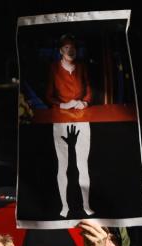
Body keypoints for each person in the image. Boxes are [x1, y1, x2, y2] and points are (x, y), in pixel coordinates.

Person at [45, 34, 94, 217]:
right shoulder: (54, 69)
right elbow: (48, 95)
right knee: (63, 163)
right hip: (61, 118)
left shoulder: (81, 67)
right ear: (61, 51)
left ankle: (86, 205)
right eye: (66, 48)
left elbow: (88, 89)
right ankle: (64, 206)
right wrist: (61, 105)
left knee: (83, 163)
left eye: (72, 47)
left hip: (81, 116)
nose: (70, 50)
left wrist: (85, 102)